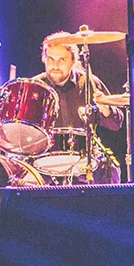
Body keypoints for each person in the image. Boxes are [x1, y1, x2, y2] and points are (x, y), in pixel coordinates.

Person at [33, 32, 124, 183]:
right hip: (45, 159)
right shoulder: (36, 86)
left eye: (62, 60)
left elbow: (116, 124)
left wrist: (105, 108)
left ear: (73, 61)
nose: (55, 66)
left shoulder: (88, 82)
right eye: (50, 59)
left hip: (85, 157)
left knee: (111, 169)